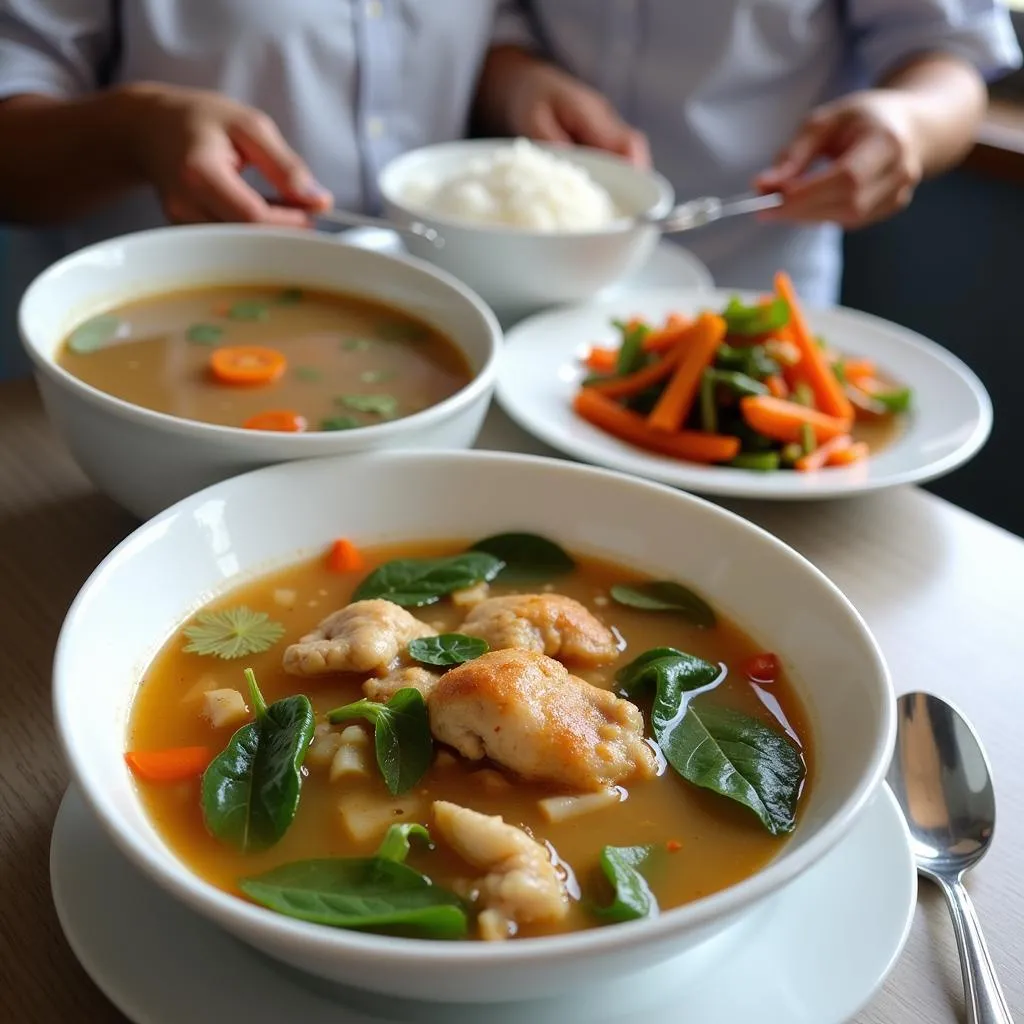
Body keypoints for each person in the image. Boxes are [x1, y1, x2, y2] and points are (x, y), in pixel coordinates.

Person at [0, 0, 500, 375]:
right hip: (118, 358)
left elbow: (497, 26)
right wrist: (138, 127)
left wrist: (517, 74)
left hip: (435, 335)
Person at [475, 1, 1022, 306]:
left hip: (751, 281)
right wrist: (518, 79)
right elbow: (481, 22)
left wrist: (908, 123)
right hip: (520, 275)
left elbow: (950, 58)